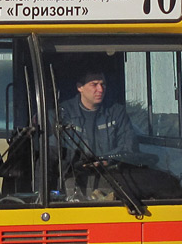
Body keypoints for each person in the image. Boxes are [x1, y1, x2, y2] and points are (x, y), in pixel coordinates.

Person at [57, 69, 139, 200]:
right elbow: (55, 153)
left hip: (111, 180)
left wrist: (107, 160)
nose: (100, 89)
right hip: (73, 183)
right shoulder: (62, 114)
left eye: (103, 84)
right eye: (94, 84)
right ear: (80, 87)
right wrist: (80, 163)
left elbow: (129, 147)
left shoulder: (117, 112)